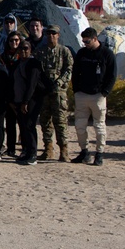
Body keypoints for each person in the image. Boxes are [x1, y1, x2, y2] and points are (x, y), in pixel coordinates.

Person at [71, 28, 116, 166]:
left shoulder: (107, 54)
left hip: (98, 96)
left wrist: (105, 92)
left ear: (95, 39)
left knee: (99, 126)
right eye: (83, 41)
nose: (85, 43)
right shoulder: (82, 53)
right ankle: (84, 151)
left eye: (87, 41)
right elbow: (75, 72)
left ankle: (99, 153)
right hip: (82, 95)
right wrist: (76, 90)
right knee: (79, 125)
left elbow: (112, 75)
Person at [37, 25, 74, 162]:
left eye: (53, 33)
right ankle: (48, 148)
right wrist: (43, 84)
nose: (50, 36)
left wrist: (58, 82)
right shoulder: (40, 52)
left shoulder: (64, 51)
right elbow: (37, 70)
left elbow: (68, 69)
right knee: (45, 121)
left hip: (59, 93)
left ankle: (64, 150)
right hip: (45, 92)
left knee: (61, 121)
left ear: (58, 35)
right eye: (48, 33)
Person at [11, 41, 44, 165]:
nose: (23, 51)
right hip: (19, 100)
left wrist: (26, 101)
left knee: (30, 125)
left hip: (32, 100)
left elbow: (32, 84)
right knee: (23, 126)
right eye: (21, 48)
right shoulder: (17, 64)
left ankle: (33, 153)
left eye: (26, 48)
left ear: (31, 50)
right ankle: (26, 151)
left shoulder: (34, 64)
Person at [1, 32, 26, 158]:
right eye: (11, 40)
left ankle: (24, 149)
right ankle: (10, 148)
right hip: (8, 94)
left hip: (21, 95)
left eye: (16, 40)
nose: (14, 43)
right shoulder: (3, 56)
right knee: (10, 124)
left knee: (23, 124)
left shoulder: (23, 57)